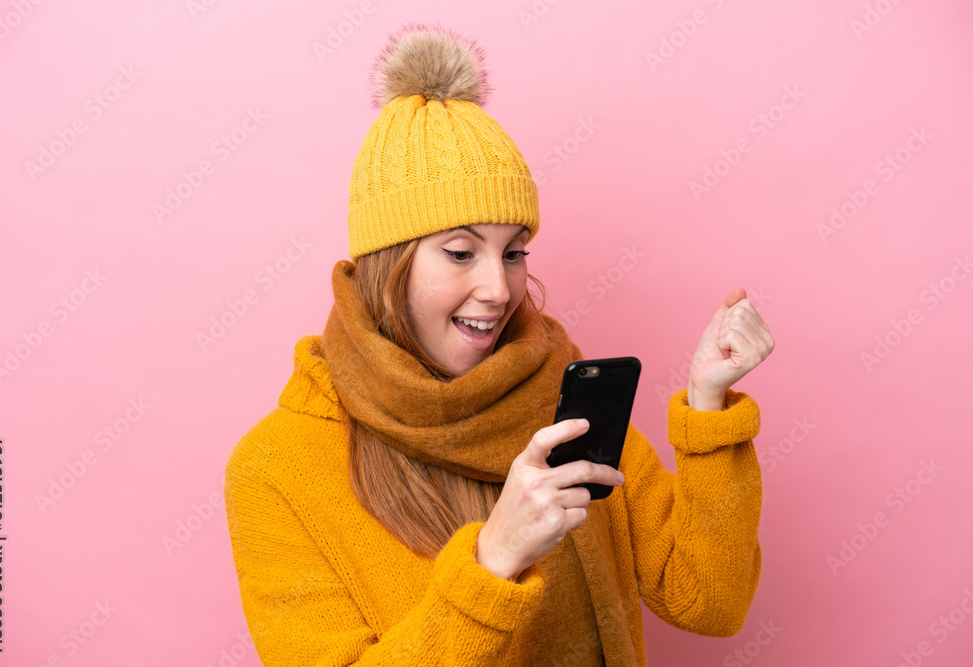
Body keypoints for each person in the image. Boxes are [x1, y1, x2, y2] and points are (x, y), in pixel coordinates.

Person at [223, 21, 775, 667]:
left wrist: (709, 409)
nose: (498, 287)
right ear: (385, 261)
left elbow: (707, 600)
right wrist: (493, 561)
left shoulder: (562, 401)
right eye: (460, 251)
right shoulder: (275, 469)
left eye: (513, 252)